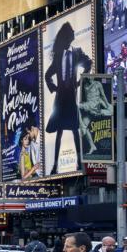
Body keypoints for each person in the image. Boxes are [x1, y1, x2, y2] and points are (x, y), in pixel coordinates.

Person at [44, 22, 93, 175]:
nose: (74, 34)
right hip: (60, 99)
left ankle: (79, 162)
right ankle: (55, 166)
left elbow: (88, 63)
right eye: (71, 32)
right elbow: (47, 75)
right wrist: (54, 88)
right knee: (59, 131)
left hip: (71, 97)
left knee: (74, 129)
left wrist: (80, 81)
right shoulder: (58, 56)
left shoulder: (76, 52)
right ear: (66, 36)